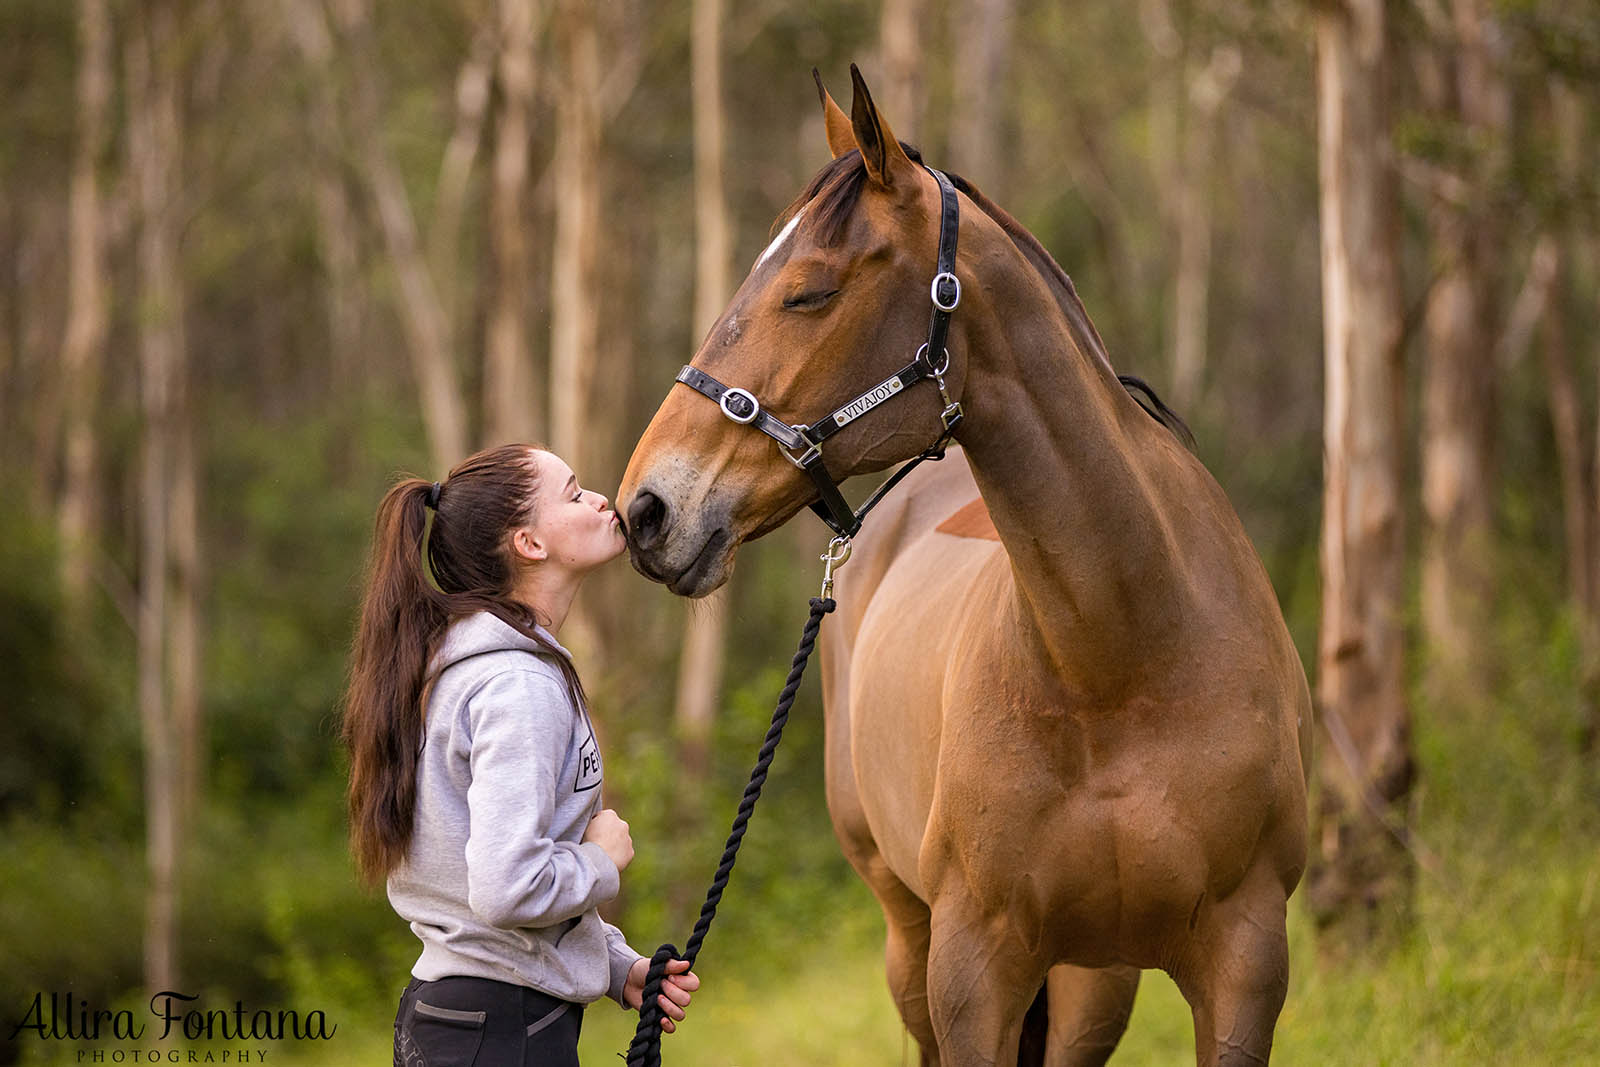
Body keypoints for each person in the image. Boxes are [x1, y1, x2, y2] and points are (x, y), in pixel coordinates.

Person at [341, 443, 697, 1066]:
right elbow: (508, 890)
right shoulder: (516, 686)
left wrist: (615, 966)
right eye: (573, 491)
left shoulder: (472, 667)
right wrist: (600, 862)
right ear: (529, 544)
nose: (598, 499)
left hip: (464, 1019)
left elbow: (481, 884)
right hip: (503, 1032)